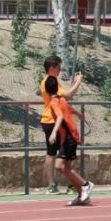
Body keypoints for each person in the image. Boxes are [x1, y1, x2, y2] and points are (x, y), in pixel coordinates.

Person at [45, 76, 93, 206]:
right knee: (66, 167)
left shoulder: (54, 102)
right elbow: (68, 108)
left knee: (59, 166)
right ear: (57, 87)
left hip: (69, 138)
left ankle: (85, 184)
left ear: (46, 90)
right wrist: (78, 114)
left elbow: (60, 115)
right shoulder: (61, 99)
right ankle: (82, 197)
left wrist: (54, 132)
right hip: (70, 137)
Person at [39, 56, 83, 194]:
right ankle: (58, 185)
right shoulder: (49, 82)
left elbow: (62, 98)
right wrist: (78, 82)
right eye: (58, 68)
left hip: (50, 121)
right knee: (60, 152)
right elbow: (68, 95)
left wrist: (74, 111)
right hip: (54, 122)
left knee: (56, 153)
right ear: (52, 68)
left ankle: (66, 184)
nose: (59, 70)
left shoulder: (50, 82)